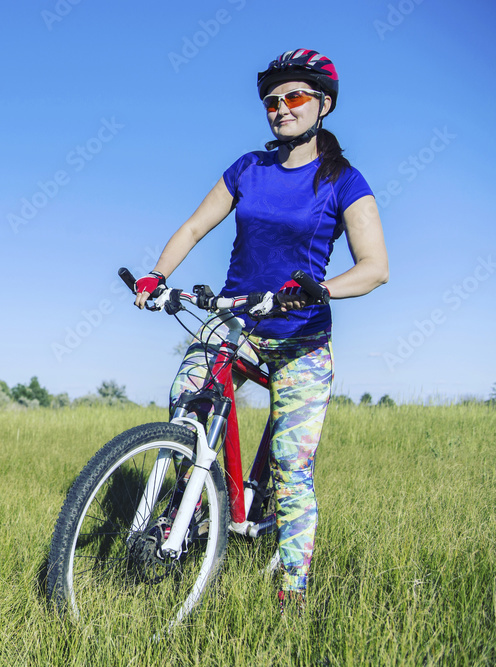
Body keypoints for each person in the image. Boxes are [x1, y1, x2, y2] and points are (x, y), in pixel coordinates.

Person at [132, 49, 388, 612]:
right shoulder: (249, 168)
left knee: (292, 468)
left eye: (294, 97)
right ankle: (200, 502)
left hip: (300, 339)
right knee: (187, 399)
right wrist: (157, 276)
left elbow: (375, 267)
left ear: (322, 104)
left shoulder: (342, 179)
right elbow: (196, 224)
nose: (280, 108)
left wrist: (321, 288)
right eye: (272, 100)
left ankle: (290, 596)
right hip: (237, 321)